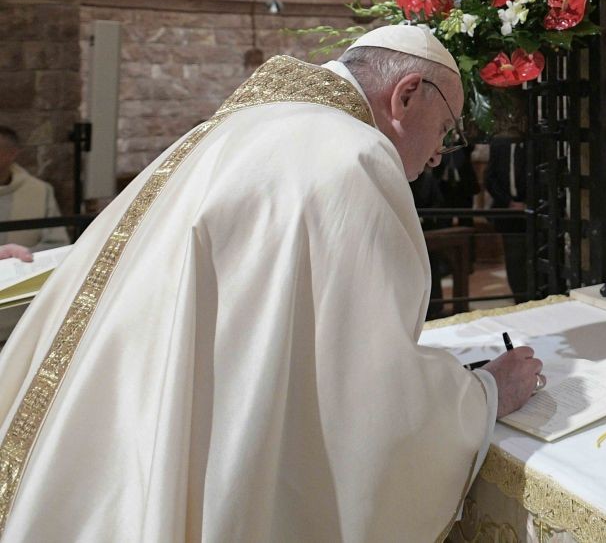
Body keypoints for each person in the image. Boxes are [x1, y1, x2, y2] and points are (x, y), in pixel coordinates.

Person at [0, 26, 543, 541]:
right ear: (406, 96)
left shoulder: (244, 124)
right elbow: (367, 390)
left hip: (117, 428)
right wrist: (486, 392)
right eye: (445, 130)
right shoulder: (353, 154)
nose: (437, 155)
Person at [0, 127, 70, 263]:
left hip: (23, 273)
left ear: (12, 154)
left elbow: (57, 243)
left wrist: (17, 257)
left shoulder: (40, 191)